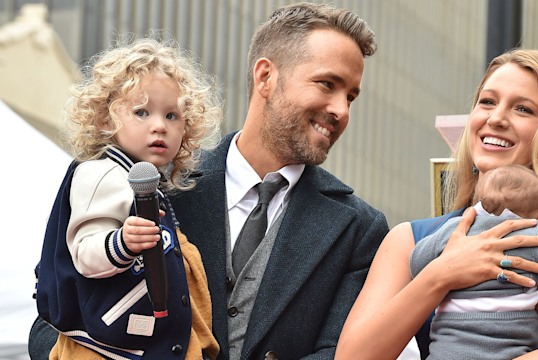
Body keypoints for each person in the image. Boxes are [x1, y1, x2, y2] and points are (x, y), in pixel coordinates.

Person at [29, 3, 388, 360]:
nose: (342, 111)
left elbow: (340, 353)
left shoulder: (360, 229)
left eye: (351, 97)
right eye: (327, 84)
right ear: (265, 77)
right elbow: (54, 316)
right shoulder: (152, 183)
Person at [336, 48, 538, 360]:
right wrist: (442, 274)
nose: (496, 118)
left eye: (524, 109)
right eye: (487, 102)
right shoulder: (410, 239)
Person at [32, 37, 223, 359]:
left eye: (172, 116)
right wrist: (123, 242)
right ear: (105, 119)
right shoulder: (103, 174)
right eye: (141, 112)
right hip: (103, 346)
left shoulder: (141, 180)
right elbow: (86, 252)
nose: (159, 126)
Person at [409, 164, 538, 359]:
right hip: (508, 351)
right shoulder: (537, 234)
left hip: (446, 351)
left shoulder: (455, 230)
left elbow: (417, 264)